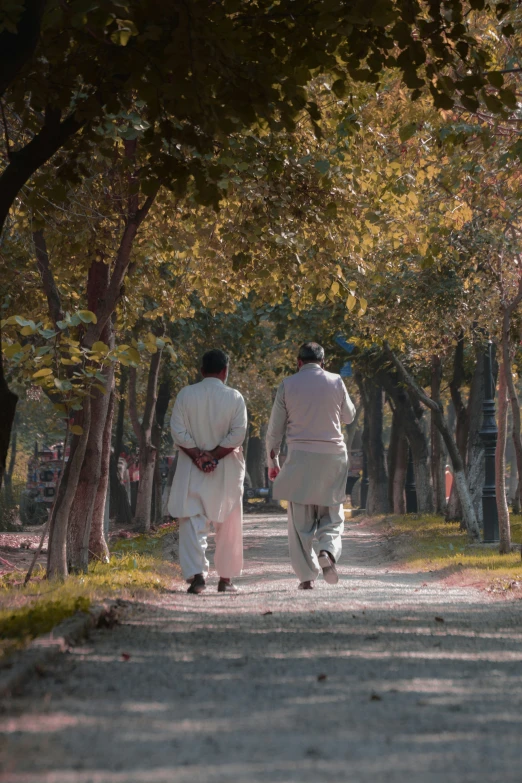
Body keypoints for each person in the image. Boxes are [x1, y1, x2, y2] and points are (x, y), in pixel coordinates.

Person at [266, 342, 356, 590]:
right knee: (333, 515)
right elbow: (349, 416)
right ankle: (327, 549)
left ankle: (306, 578)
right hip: (333, 458)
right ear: (323, 362)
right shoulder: (337, 381)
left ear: (298, 362)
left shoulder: (287, 385)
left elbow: (275, 430)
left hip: (300, 459)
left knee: (300, 523)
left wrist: (272, 462)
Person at [168, 349, 247, 594]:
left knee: (192, 521)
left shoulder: (186, 395)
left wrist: (198, 458)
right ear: (225, 371)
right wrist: (213, 456)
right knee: (229, 523)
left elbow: (178, 432)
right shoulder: (235, 397)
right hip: (226, 470)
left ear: (202, 371)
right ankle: (226, 579)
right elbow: (238, 434)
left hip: (193, 470)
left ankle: (197, 578)